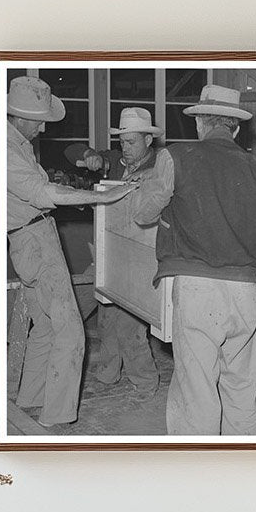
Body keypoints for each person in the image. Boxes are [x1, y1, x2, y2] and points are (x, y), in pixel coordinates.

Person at [133, 84, 256, 435]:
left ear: (199, 124)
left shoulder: (174, 157)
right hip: (245, 294)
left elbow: (142, 213)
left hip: (197, 291)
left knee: (198, 392)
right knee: (241, 393)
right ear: (236, 128)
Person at [6, 76, 131, 427]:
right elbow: (43, 194)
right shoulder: (5, 148)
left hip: (29, 236)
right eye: (39, 119)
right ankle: (56, 417)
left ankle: (31, 401)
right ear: (19, 115)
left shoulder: (16, 143)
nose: (44, 126)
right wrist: (102, 196)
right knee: (71, 331)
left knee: (45, 325)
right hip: (34, 238)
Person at [64, 108, 161, 397]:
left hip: (141, 252)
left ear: (148, 141)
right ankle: (108, 372)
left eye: (131, 142)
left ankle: (145, 381)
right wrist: (89, 154)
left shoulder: (161, 166)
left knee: (130, 324)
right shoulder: (114, 163)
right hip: (108, 250)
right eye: (122, 142)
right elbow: (71, 150)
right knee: (106, 316)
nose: (126, 148)